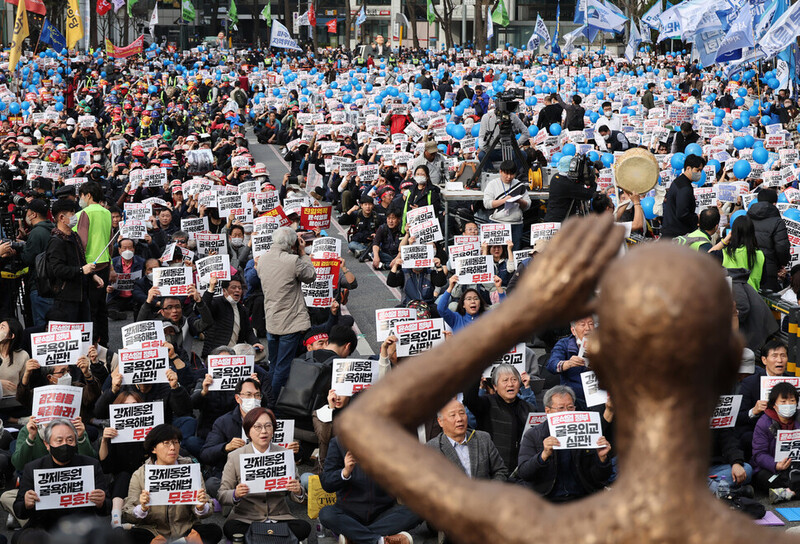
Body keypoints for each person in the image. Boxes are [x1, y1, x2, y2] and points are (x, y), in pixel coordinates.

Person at [218, 406, 310, 541]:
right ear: (248, 431)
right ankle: (275, 538)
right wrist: (235, 494)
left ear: (273, 430)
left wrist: (298, 491)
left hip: (279, 517)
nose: (264, 431)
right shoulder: (235, 456)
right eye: (258, 427)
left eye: (268, 426)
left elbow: (297, 496)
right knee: (231, 528)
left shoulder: (284, 455)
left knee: (304, 527)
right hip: (246, 518)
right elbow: (221, 494)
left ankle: (261, 538)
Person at [123, 424, 220, 544]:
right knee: (131, 536)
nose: (173, 447)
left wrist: (200, 507)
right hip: (153, 530)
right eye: (166, 443)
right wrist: (142, 508)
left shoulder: (191, 470)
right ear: (154, 449)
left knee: (214, 531)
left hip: (185, 528)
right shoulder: (140, 474)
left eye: (175, 442)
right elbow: (128, 514)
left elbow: (206, 510)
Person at [199, 377, 295, 497]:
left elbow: (288, 454)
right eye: (248, 395)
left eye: (257, 395)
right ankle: (238, 501)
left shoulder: (269, 419)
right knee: (213, 484)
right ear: (237, 398)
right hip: (235, 477)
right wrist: (225, 447)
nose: (253, 399)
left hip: (266, 475)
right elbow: (205, 454)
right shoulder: (223, 422)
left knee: (293, 482)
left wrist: (295, 451)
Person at [516, 386, 613, 502]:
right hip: (546, 499)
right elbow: (524, 473)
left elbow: (601, 477)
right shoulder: (533, 435)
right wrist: (543, 455)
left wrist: (602, 459)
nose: (566, 413)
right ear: (547, 411)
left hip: (581, 498)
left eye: (570, 407)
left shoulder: (586, 432)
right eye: (561, 408)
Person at [14, 419, 110, 535]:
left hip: (82, 526)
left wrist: (101, 503)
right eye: (59, 440)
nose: (65, 444)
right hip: (44, 527)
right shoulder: (33, 468)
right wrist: (26, 503)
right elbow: (19, 510)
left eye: (70, 440)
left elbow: (107, 507)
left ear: (75, 442)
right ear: (47, 444)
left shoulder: (91, 465)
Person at [320, 434, 421, 544]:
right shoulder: (339, 442)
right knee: (326, 514)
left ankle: (354, 538)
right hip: (349, 513)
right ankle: (378, 540)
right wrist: (345, 472)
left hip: (382, 513)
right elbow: (327, 483)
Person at [257, 226, 316, 398]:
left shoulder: (262, 259)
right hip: (289, 322)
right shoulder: (292, 261)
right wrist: (303, 253)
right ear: (292, 243)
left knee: (273, 364)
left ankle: (267, 397)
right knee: (283, 366)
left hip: (271, 319)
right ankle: (273, 402)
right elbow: (311, 275)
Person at [463, 364, 535, 470]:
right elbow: (469, 399)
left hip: (520, 470)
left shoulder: (527, 407)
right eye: (505, 380)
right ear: (495, 386)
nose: (510, 384)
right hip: (493, 470)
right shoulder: (486, 403)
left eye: (514, 380)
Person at [45, 199, 103, 323]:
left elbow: (81, 260)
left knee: (85, 333)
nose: (75, 216)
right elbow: (58, 270)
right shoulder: (56, 241)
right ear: (61, 217)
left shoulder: (74, 236)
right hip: (66, 298)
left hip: (81, 295)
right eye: (72, 213)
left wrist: (92, 274)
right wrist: (82, 270)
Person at [99, 390, 148, 528]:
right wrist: (104, 440)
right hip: (122, 481)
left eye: (135, 404)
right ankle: (116, 516)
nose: (131, 408)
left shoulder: (150, 430)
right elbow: (106, 467)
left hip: (145, 478)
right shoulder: (114, 432)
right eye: (126, 405)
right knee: (124, 475)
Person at [427, 398, 507, 480]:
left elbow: (500, 471)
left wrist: (489, 491)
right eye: (453, 415)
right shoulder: (432, 449)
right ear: (440, 421)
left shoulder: (483, 438)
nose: (459, 419)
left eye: (462, 413)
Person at [736, 338, 791, 456]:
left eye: (783, 356)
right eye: (775, 356)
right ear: (764, 360)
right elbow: (738, 417)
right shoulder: (750, 383)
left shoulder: (792, 382)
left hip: (787, 429)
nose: (779, 360)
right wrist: (753, 411)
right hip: (758, 430)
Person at [75, 181, 113, 346]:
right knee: (101, 308)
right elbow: (111, 242)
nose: (80, 199)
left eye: (81, 196)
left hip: (90, 267)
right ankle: (104, 342)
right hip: (104, 263)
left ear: (88, 195)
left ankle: (92, 345)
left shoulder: (83, 214)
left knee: (90, 310)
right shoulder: (107, 213)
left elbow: (80, 243)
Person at [751, 382, 800, 501]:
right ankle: (793, 490)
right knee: (765, 479)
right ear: (774, 405)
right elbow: (759, 454)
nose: (788, 405)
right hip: (772, 469)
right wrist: (775, 465)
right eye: (783, 402)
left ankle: (790, 493)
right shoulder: (764, 422)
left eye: (792, 401)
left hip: (796, 465)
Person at [546, 316, 595, 409]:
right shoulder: (564, 344)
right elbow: (551, 365)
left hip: (598, 395)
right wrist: (568, 363)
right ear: (573, 331)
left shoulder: (604, 342)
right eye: (582, 324)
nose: (588, 328)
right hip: (575, 398)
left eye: (591, 324)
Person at [747, 188, 790, 292]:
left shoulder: (747, 217)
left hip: (747, 266)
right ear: (774, 203)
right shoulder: (777, 222)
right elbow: (782, 248)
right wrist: (781, 264)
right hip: (768, 270)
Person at [20, 199, 54, 326]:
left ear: (33, 214)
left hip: (39, 286)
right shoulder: (53, 228)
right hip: (53, 284)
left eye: (27, 212)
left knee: (40, 326)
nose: (26, 215)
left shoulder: (36, 232)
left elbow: (28, 258)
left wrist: (21, 249)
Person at [482, 160, 530, 250]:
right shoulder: (492, 184)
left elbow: (527, 205)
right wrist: (503, 201)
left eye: (512, 174)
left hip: (516, 224)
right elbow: (487, 204)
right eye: (506, 174)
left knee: (514, 251)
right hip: (497, 222)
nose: (509, 177)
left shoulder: (520, 185)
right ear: (500, 171)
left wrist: (520, 201)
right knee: (497, 252)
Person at [543, 156, 597, 222]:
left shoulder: (556, 177)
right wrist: (593, 183)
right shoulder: (567, 184)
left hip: (552, 218)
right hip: (560, 222)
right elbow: (588, 194)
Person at [661, 154, 703, 238]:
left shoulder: (679, 182)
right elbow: (682, 214)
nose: (699, 173)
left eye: (701, 170)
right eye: (697, 170)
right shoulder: (684, 187)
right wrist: (696, 218)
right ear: (688, 168)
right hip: (676, 235)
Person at [106, 237, 145, 320]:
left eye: (130, 248)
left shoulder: (141, 262)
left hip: (134, 296)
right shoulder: (112, 263)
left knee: (141, 304)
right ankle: (116, 314)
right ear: (119, 250)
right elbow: (106, 279)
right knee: (111, 306)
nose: (127, 250)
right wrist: (108, 287)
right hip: (117, 296)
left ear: (134, 249)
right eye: (124, 248)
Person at [722, 215, 765, 291]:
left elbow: (708, 254)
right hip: (752, 297)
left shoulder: (725, 253)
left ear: (733, 232)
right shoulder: (759, 254)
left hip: (731, 298)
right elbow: (763, 281)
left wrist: (724, 241)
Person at [0, 319, 27, 400]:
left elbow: (25, 383)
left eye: (2, 327)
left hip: (13, 401)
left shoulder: (23, 355)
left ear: (11, 336)